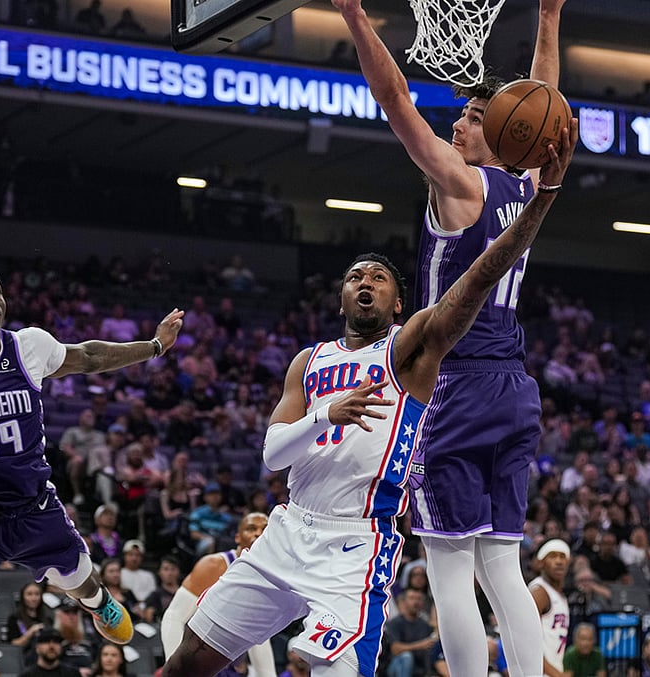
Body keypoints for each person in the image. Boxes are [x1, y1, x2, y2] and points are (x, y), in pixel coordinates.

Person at [164, 119, 577, 677]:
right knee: (186, 662)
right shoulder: (307, 361)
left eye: (379, 278)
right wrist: (324, 415)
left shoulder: (409, 350)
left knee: (340, 662)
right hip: (289, 528)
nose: (365, 281)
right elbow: (273, 456)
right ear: (340, 298)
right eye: (356, 276)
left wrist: (544, 197)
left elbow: (477, 280)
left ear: (399, 304)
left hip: (356, 544)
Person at [331, 0, 567, 672]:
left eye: (470, 117)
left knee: (449, 563)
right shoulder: (528, 186)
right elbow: (544, 101)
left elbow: (393, 98)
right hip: (514, 387)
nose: (457, 123)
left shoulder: (460, 182)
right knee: (502, 564)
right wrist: (549, 16)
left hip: (453, 384)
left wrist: (354, 16)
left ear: (502, 130)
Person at [0, 266, 184, 677]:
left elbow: (90, 356)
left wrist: (154, 346)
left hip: (35, 512)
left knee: (84, 584)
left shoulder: (29, 345)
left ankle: (99, 602)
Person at [160, 512, 274, 676]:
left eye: (265, 529)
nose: (258, 533)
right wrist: (175, 669)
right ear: (237, 537)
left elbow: (259, 635)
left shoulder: (271, 576)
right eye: (251, 529)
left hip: (232, 663)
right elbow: (174, 616)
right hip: (196, 652)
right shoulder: (214, 565)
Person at [530, 539, 571, 677]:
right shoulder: (539, 592)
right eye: (552, 556)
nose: (559, 561)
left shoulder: (560, 596)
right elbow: (526, 640)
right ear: (540, 563)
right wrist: (556, 674)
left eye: (562, 557)